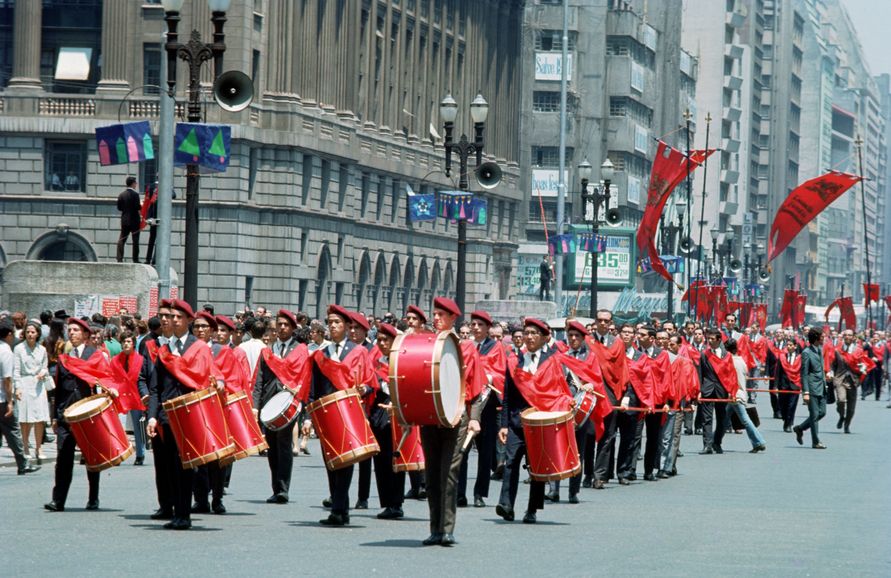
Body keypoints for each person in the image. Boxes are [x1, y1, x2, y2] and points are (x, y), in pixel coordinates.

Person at [147, 299, 223, 530]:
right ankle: (175, 511)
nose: (174, 321)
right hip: (167, 416)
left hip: (190, 415)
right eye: (172, 317)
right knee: (170, 466)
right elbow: (155, 388)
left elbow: (211, 374)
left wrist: (218, 383)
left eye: (179, 317)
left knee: (186, 466)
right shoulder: (164, 350)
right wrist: (152, 415)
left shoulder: (198, 347)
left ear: (189, 321)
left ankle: (184, 514)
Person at [416, 297, 483, 545]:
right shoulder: (427, 343)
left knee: (449, 474)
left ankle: (446, 528)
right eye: (434, 314)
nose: (435, 319)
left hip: (456, 418)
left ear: (453, 319)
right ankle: (434, 529)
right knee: (432, 475)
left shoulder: (466, 347)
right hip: (430, 416)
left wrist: (474, 419)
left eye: (441, 315)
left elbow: (476, 388)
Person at [304, 304, 376, 527]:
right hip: (326, 413)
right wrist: (308, 417)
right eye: (330, 323)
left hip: (349, 411)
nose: (333, 326)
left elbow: (370, 381)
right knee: (330, 461)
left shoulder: (358, 351)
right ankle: (340, 507)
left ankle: (339, 508)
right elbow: (314, 387)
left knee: (346, 460)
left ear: (346, 326)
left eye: (337, 323)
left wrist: (364, 389)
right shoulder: (320, 354)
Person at [496, 317, 566, 524]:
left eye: (534, 333)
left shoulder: (554, 361)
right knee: (511, 463)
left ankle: (532, 508)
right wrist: (504, 425)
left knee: (537, 467)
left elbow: (561, 389)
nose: (529, 337)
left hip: (540, 422)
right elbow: (507, 396)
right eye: (527, 333)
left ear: (545, 338)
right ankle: (506, 504)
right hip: (517, 423)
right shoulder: (514, 361)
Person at [45, 317, 101, 512]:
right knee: (63, 458)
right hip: (66, 416)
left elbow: (103, 384)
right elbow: (59, 389)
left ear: (86, 335)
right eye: (70, 330)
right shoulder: (64, 359)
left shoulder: (95, 356)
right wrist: (55, 416)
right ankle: (58, 500)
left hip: (87, 415)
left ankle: (93, 497)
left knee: (91, 458)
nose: (72, 333)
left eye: (77, 330)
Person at [253, 310, 305, 505]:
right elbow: (258, 379)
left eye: (286, 325)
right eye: (279, 325)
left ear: (292, 328)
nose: (282, 328)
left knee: (284, 446)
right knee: (272, 447)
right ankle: (276, 487)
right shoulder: (267, 351)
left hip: (288, 403)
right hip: (269, 404)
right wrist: (255, 405)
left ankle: (283, 488)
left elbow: (303, 377)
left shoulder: (299, 349)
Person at [457, 310, 505, 509]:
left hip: (487, 403)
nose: (475, 328)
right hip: (467, 402)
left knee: (485, 452)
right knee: (462, 450)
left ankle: (479, 493)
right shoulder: (465, 346)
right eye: (473, 324)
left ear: (487, 328)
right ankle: (460, 493)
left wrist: (486, 376)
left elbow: (500, 372)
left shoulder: (496, 347)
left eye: (480, 325)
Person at [0, 323, 41, 475]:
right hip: (2, 400)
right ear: (9, 334)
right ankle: (23, 463)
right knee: (13, 431)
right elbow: (7, 379)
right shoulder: (6, 352)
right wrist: (10, 402)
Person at [14, 321, 52, 461]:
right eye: (28, 332)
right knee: (25, 418)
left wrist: (43, 372)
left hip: (38, 385)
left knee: (39, 418)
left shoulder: (41, 350)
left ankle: (38, 447)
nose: (30, 334)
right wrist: (17, 387)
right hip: (24, 383)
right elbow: (16, 370)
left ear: (37, 334)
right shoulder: (19, 349)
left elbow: (45, 366)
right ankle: (25, 446)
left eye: (33, 332)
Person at [724, 338, 766, 453]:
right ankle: (714, 441)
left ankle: (759, 441)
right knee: (724, 420)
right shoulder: (741, 361)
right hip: (740, 393)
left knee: (745, 420)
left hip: (734, 395)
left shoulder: (730, 362)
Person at [828, 329, 871, 433]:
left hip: (853, 380)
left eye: (849, 335)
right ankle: (841, 416)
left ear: (853, 337)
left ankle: (847, 425)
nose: (847, 337)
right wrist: (830, 372)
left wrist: (863, 367)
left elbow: (864, 363)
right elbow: (832, 364)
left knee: (851, 408)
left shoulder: (859, 350)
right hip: (840, 378)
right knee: (841, 400)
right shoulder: (838, 349)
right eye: (845, 335)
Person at [793, 328, 828, 449]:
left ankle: (800, 428)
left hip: (822, 386)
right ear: (817, 338)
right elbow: (804, 374)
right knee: (814, 415)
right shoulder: (806, 352)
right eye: (822, 336)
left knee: (822, 413)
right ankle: (816, 441)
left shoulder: (819, 350)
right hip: (812, 388)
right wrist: (805, 392)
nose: (824, 338)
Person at [116, 176, 142, 263]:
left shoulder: (121, 195)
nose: (136, 184)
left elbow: (119, 208)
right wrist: (141, 205)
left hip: (125, 220)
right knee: (135, 240)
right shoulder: (136, 195)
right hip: (134, 220)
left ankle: (119, 258)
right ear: (133, 183)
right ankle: (135, 259)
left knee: (122, 239)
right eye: (135, 183)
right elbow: (137, 207)